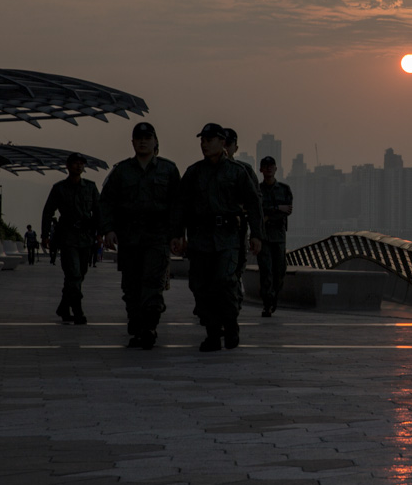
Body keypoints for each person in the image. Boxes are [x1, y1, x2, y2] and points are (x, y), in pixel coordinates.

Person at [100, 122, 183, 350]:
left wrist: (177, 235)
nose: (143, 141)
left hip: (158, 237)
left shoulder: (169, 170)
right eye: (139, 138)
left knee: (153, 284)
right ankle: (136, 326)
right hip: (130, 237)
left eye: (147, 137)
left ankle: (149, 327)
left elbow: (177, 205)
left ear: (155, 141)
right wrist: (108, 229)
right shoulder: (121, 171)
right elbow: (106, 201)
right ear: (133, 142)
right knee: (132, 286)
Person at [182, 123, 263, 352]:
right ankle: (213, 333)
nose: (204, 144)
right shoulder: (194, 172)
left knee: (225, 282)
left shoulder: (237, 172)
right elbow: (181, 206)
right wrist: (177, 235)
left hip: (228, 238)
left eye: (209, 140)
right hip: (200, 239)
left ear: (222, 142)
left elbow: (254, 204)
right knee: (200, 286)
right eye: (202, 141)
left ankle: (230, 324)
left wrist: (256, 235)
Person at [42, 152, 101, 325]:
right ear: (68, 166)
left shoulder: (90, 187)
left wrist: (99, 234)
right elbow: (48, 212)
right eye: (75, 163)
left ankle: (63, 306)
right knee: (73, 273)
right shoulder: (59, 188)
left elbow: (98, 211)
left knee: (80, 274)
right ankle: (77, 310)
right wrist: (45, 235)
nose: (78, 166)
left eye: (81, 164)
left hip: (85, 237)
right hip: (67, 236)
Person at [222, 128, 261, 310]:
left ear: (235, 147)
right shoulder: (201, 171)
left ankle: (230, 311)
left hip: (236, 232)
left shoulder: (244, 171)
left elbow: (255, 202)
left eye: (228, 144)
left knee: (233, 273)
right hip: (208, 235)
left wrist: (256, 234)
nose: (225, 147)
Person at [257, 156, 292, 317]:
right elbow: (256, 212)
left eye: (271, 166)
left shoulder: (284, 189)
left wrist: (269, 214)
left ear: (276, 168)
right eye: (265, 166)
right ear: (261, 169)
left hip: (278, 236)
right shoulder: (257, 190)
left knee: (279, 271)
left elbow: (288, 210)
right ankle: (267, 304)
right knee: (266, 271)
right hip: (263, 237)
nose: (269, 168)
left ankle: (274, 299)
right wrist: (277, 209)